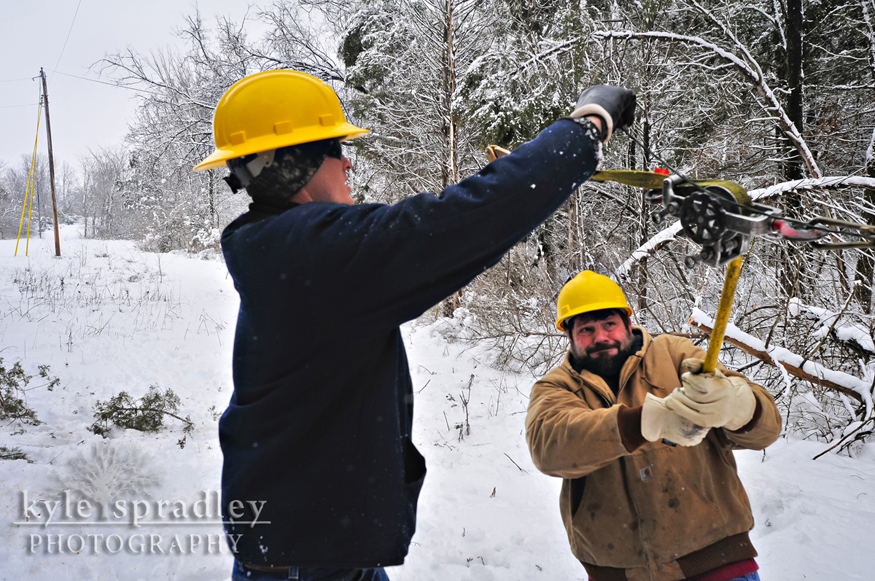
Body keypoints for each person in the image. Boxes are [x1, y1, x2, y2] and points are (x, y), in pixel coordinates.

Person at [193, 70, 636, 581]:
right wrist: (586, 128)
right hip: (306, 560)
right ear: (297, 163)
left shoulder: (281, 250)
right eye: (337, 148)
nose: (348, 161)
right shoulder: (316, 251)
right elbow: (462, 220)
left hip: (309, 545)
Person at [525, 271, 782, 581]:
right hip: (620, 573)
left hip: (720, 565)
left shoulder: (673, 353)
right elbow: (549, 447)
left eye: (609, 324)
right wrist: (646, 421)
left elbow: (767, 428)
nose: (600, 337)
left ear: (626, 321)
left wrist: (738, 406)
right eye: (586, 329)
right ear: (569, 335)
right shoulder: (556, 387)